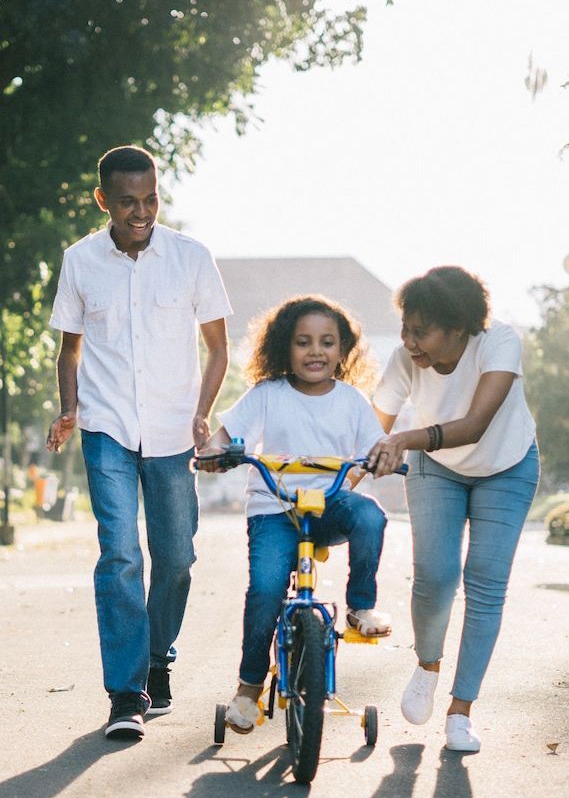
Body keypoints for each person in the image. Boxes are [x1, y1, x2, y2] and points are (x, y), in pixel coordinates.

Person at [47, 144, 232, 739]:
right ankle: (126, 694)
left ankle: (159, 660)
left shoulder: (191, 257)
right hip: (106, 429)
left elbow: (218, 347)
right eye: (127, 202)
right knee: (121, 554)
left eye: (150, 198)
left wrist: (203, 415)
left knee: (176, 558)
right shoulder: (80, 261)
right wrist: (69, 409)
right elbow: (69, 348)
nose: (141, 211)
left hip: (175, 431)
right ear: (103, 200)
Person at [200, 294, 393, 734]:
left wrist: (382, 458)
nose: (316, 351)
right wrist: (215, 450)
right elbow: (225, 434)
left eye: (327, 342)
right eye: (303, 342)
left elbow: (374, 448)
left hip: (328, 506)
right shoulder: (267, 394)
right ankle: (248, 689)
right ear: (285, 347)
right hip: (274, 510)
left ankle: (360, 607)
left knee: (371, 516)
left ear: (343, 350)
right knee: (266, 590)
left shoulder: (351, 401)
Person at [368, 265, 539, 752]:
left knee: (485, 581)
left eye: (421, 331)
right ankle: (427, 665)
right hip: (437, 469)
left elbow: (476, 424)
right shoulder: (405, 360)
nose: (408, 341)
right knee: (435, 575)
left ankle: (461, 711)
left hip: (506, 466)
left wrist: (403, 438)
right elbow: (370, 430)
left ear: (459, 328)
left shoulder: (498, 343)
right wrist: (342, 478)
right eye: (405, 327)